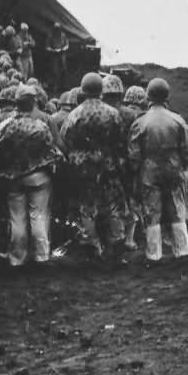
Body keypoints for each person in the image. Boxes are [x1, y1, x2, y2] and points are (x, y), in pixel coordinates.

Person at [0, 85, 61, 267]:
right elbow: (53, 151)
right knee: (38, 217)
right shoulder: (41, 126)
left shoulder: (5, 126)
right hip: (38, 176)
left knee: (17, 219)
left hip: (13, 177)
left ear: (16, 103)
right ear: (33, 102)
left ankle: (17, 258)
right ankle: (41, 256)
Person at [63, 73, 129, 260]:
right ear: (101, 89)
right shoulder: (112, 113)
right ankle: (116, 243)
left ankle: (91, 246)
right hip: (108, 166)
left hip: (82, 169)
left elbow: (66, 139)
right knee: (113, 205)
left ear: (83, 89)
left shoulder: (74, 115)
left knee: (87, 207)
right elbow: (121, 141)